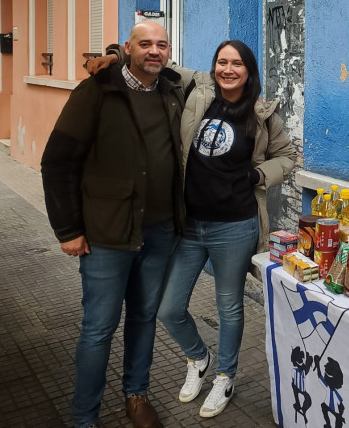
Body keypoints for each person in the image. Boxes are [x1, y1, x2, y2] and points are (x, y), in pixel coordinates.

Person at [92, 38, 295, 418]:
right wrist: (116, 55)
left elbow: (287, 156)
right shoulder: (198, 88)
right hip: (190, 223)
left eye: (237, 64)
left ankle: (224, 376)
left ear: (249, 71)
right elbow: (156, 62)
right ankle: (199, 358)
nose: (228, 70)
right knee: (169, 308)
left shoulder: (263, 114)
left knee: (229, 306)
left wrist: (256, 174)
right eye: (222, 62)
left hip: (235, 226)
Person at [42, 21, 184, 428]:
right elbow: (57, 162)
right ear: (127, 47)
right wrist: (68, 229)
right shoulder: (96, 92)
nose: (153, 51)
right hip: (107, 235)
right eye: (144, 44)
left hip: (158, 232)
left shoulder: (173, 91)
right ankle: (85, 417)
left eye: (161, 44)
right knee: (99, 328)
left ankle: (136, 396)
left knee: (143, 319)